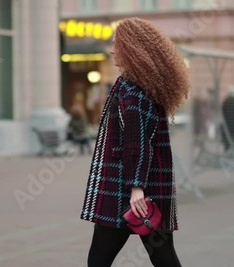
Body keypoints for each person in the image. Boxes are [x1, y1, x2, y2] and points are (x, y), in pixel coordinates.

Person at [80, 17, 190, 267]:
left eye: (116, 44)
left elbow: (136, 144)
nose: (111, 49)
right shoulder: (145, 89)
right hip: (148, 186)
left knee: (98, 261)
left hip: (126, 190)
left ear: (131, 50)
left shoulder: (132, 92)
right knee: (164, 256)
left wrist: (136, 188)